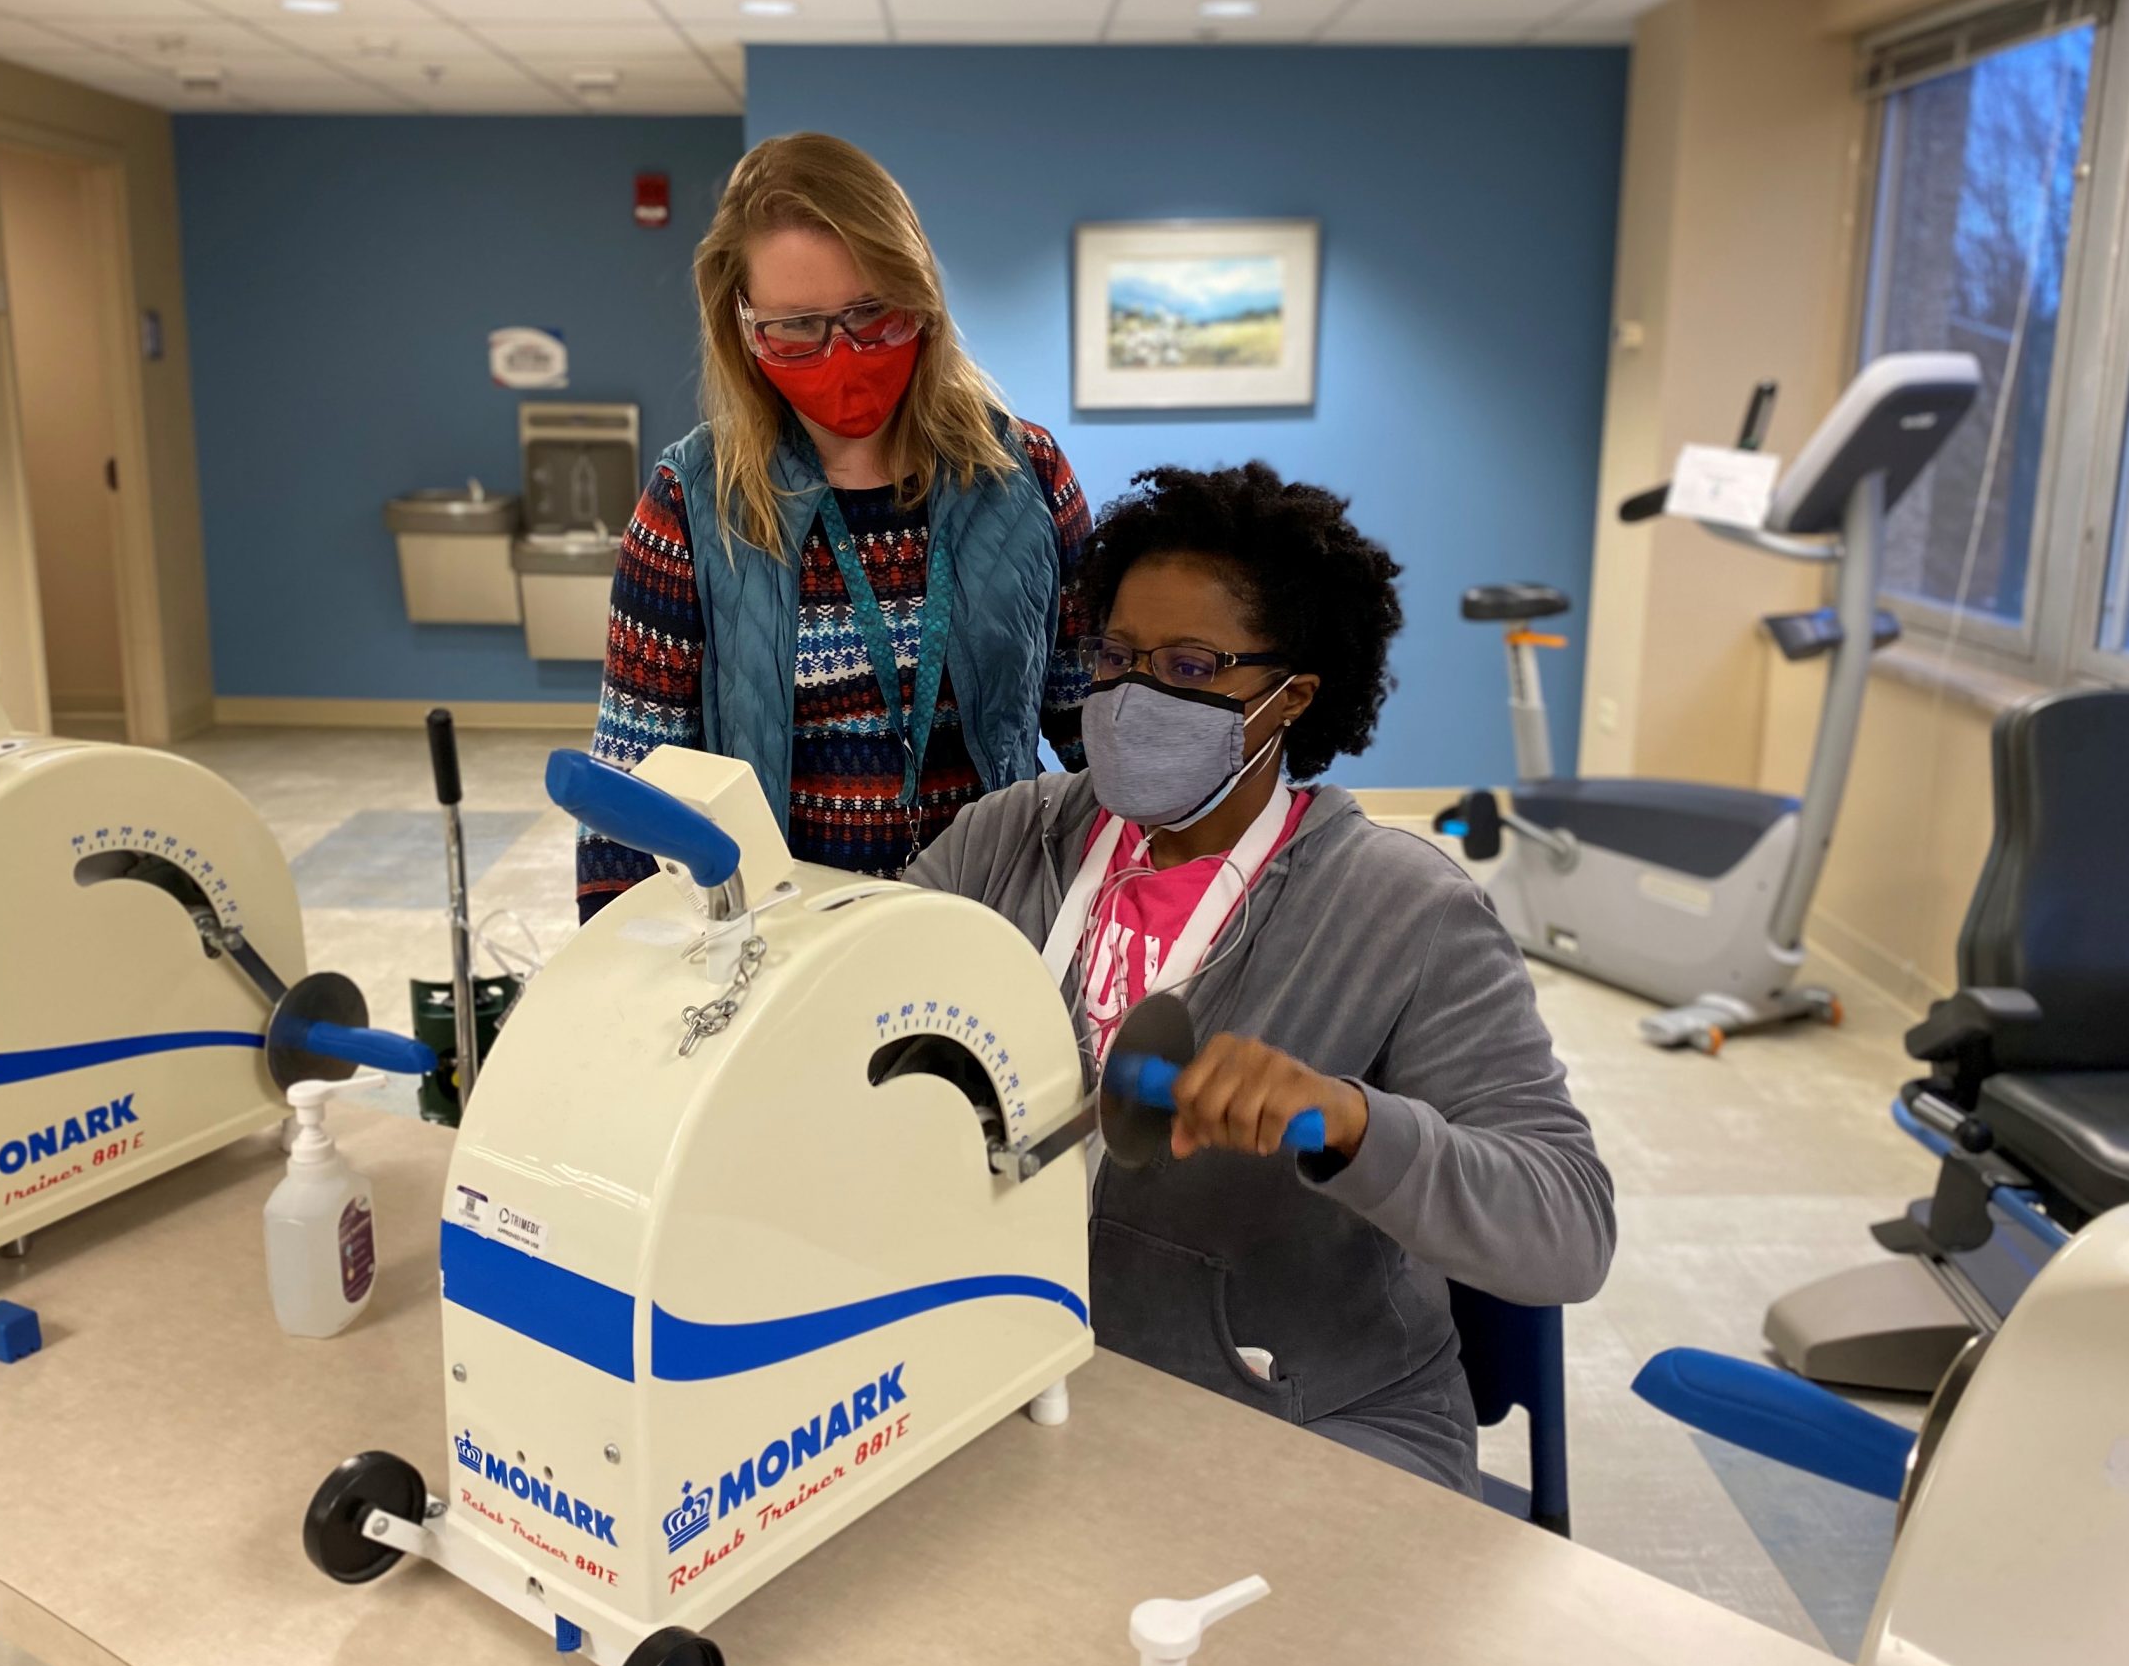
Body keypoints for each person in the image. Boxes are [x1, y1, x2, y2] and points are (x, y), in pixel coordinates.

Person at [909, 462, 1615, 1495]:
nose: (1134, 695)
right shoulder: (1006, 841)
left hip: (1303, 1420)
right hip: (1020, 1377)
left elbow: (1568, 1230)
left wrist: (1352, 1124)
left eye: (1191, 666)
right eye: (1116, 657)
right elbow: (858, 1015)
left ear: (1292, 695)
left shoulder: (1401, 912)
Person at [577, 132, 1089, 919]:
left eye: (872, 313)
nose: (843, 354)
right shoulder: (692, 502)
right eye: (797, 327)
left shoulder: (1023, 475)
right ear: (741, 324)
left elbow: (1092, 723)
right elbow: (633, 788)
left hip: (992, 927)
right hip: (785, 951)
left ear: (921, 297)